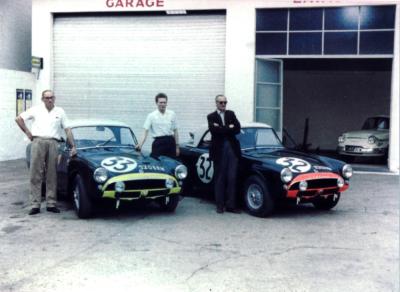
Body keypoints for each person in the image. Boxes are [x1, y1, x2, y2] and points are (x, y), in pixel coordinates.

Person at [15, 90, 77, 215]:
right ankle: (35, 204)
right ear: (42, 99)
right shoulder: (36, 110)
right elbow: (19, 119)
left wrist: (73, 146)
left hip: (54, 143)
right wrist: (28, 134)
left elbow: (67, 129)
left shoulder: (60, 111)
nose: (49, 100)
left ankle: (51, 203)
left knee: (52, 173)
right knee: (35, 173)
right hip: (38, 142)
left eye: (51, 97)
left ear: (54, 98)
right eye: (47, 97)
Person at [207, 94, 241, 214]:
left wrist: (222, 128)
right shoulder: (211, 116)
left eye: (225, 102)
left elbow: (237, 128)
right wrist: (228, 127)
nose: (223, 105)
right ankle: (220, 206)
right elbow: (214, 131)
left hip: (232, 149)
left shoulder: (231, 114)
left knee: (232, 178)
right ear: (216, 103)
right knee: (220, 178)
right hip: (219, 150)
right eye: (221, 102)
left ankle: (231, 205)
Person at [136, 93, 179, 158]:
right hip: (158, 143)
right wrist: (140, 144)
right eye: (161, 102)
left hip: (170, 142)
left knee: (171, 163)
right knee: (157, 163)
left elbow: (175, 131)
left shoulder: (172, 114)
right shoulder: (151, 116)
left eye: (164, 102)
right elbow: (145, 132)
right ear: (156, 103)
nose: (163, 104)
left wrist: (177, 147)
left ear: (167, 103)